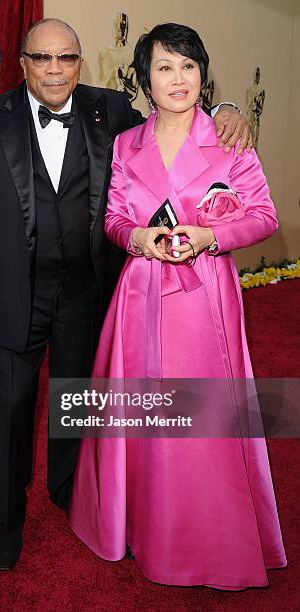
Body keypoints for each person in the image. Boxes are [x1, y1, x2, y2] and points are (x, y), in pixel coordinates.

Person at [0, 17, 250, 571]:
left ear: (80, 64)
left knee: (76, 402)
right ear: (24, 63)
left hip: (87, 292)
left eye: (67, 59)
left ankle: (67, 491)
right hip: (14, 293)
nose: (56, 69)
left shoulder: (112, 112)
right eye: (43, 58)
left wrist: (227, 111)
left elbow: (175, 106)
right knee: (12, 407)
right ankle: (7, 520)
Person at [69, 23, 287, 590]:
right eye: (165, 67)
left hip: (205, 298)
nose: (178, 78)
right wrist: (135, 239)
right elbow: (115, 218)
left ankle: (208, 537)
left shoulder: (230, 140)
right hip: (140, 295)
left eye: (188, 65)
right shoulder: (126, 144)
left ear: (202, 74)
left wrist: (212, 237)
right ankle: (142, 525)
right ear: (145, 79)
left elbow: (263, 216)